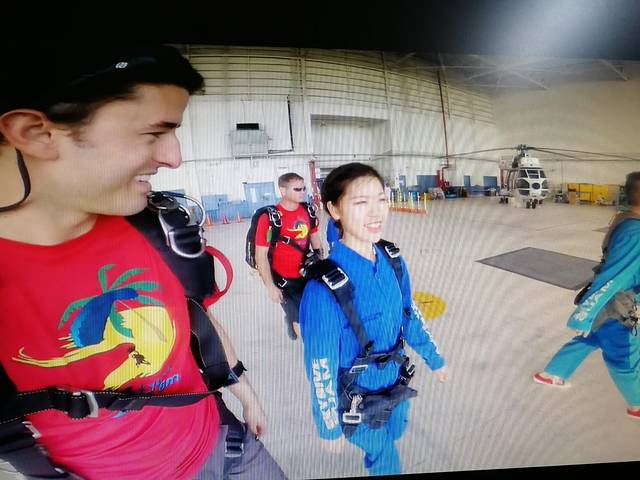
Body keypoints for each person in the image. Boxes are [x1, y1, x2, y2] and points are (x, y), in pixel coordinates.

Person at [0, 43, 285, 479]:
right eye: (153, 133)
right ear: (36, 133)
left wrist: (241, 387)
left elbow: (194, 316)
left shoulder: (155, 225)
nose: (174, 157)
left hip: (228, 446)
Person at [298, 162, 448, 476]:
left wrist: (435, 360)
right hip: (357, 400)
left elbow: (410, 316)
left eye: (381, 199)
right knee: (384, 453)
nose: (376, 212)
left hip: (397, 385)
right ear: (334, 209)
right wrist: (328, 426)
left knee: (396, 432)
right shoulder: (323, 289)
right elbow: (320, 366)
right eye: (361, 202)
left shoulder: (393, 260)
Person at [533, 171, 640, 420]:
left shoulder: (626, 219)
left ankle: (552, 373)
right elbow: (615, 275)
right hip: (615, 305)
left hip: (609, 301)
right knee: (623, 354)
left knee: (592, 338)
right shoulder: (635, 232)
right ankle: (637, 403)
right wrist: (585, 314)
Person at [254, 173, 322, 340]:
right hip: (283, 279)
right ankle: (308, 347)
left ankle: (290, 320)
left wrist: (321, 265)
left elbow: (315, 239)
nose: (303, 192)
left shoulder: (308, 211)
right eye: (297, 189)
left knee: (314, 312)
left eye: (304, 188)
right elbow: (261, 256)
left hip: (306, 274)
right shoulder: (269, 219)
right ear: (283, 191)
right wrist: (270, 286)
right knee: (299, 318)